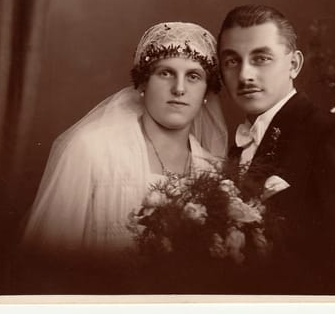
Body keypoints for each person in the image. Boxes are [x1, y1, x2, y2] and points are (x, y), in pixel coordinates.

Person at [217, 5, 335, 294]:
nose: (245, 75)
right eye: (232, 61)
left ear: (294, 64)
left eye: (261, 58)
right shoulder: (237, 148)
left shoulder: (334, 138)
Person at [20, 22, 227, 274]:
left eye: (193, 76)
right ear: (142, 84)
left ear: (206, 91)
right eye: (165, 73)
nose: (179, 88)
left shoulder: (212, 171)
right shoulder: (91, 149)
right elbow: (48, 267)